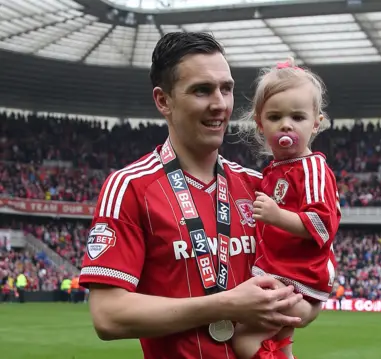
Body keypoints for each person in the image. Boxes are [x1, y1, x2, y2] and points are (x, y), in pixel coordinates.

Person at [79, 32, 321, 359]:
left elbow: (307, 279)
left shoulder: (260, 188)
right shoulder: (130, 187)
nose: (219, 104)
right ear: (163, 100)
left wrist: (302, 303)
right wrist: (225, 304)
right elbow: (108, 315)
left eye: (227, 88)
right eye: (201, 90)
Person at [231, 58, 340, 359]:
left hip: (295, 275)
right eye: (275, 116)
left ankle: (303, 310)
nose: (286, 124)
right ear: (259, 122)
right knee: (276, 342)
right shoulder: (275, 170)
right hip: (280, 272)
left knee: (243, 341)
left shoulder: (313, 168)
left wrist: (277, 216)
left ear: (316, 122)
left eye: (298, 116)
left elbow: (323, 224)